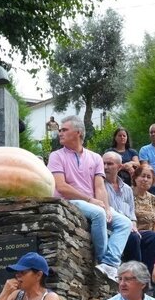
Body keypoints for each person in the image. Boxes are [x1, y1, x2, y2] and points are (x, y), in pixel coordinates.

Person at [47, 115, 132, 282]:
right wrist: (90, 200)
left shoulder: (95, 157)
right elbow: (61, 187)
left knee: (125, 223)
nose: (60, 133)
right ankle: (102, 261)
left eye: (64, 130)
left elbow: (100, 187)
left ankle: (109, 263)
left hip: (91, 203)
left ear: (78, 133)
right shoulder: (56, 156)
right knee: (98, 214)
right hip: (68, 201)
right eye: (60, 130)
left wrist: (107, 208)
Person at [103, 150, 142, 263]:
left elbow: (132, 213)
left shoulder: (127, 189)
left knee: (154, 238)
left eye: (110, 164)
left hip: (129, 228)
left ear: (119, 167)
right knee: (133, 238)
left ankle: (149, 277)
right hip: (111, 229)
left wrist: (134, 226)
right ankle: (134, 276)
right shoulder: (100, 187)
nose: (105, 167)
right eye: (103, 163)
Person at [130, 163, 155, 271]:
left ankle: (149, 276)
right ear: (135, 177)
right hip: (132, 233)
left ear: (152, 181)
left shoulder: (153, 199)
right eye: (142, 176)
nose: (145, 179)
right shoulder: (128, 193)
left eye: (149, 177)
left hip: (149, 236)